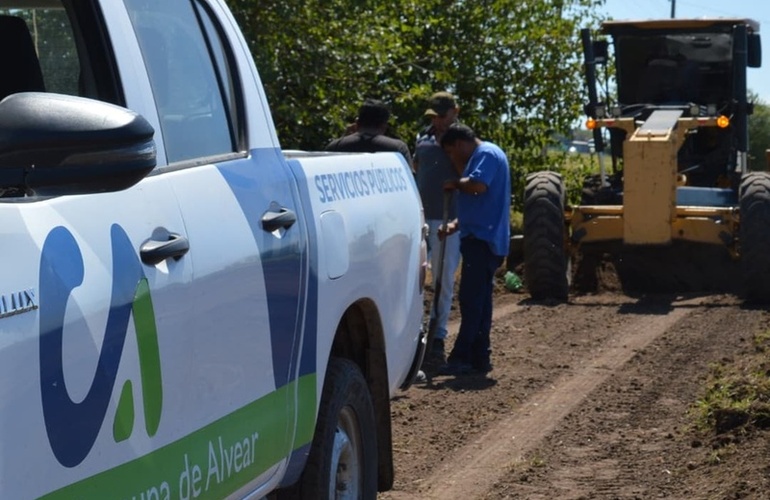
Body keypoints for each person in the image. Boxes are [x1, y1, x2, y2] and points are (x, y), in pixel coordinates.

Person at [437, 123, 511, 376]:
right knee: (479, 301)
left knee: (471, 300)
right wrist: (456, 225)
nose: (451, 157)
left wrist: (454, 183)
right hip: (481, 237)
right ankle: (480, 356)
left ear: (459, 143)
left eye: (450, 152)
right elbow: (481, 205)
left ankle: (462, 357)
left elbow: (479, 186)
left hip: (483, 241)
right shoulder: (485, 155)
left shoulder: (486, 155)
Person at [414, 92, 462, 366]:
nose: (439, 122)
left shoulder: (460, 141)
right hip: (422, 215)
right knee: (419, 278)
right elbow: (417, 168)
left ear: (455, 112)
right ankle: (417, 334)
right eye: (434, 116)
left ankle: (438, 336)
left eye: (443, 116)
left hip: (448, 218)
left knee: (444, 278)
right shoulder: (423, 136)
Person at [326, 98, 413, 168]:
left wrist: (343, 139)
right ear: (384, 125)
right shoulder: (397, 149)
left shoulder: (335, 147)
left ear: (357, 123)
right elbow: (410, 182)